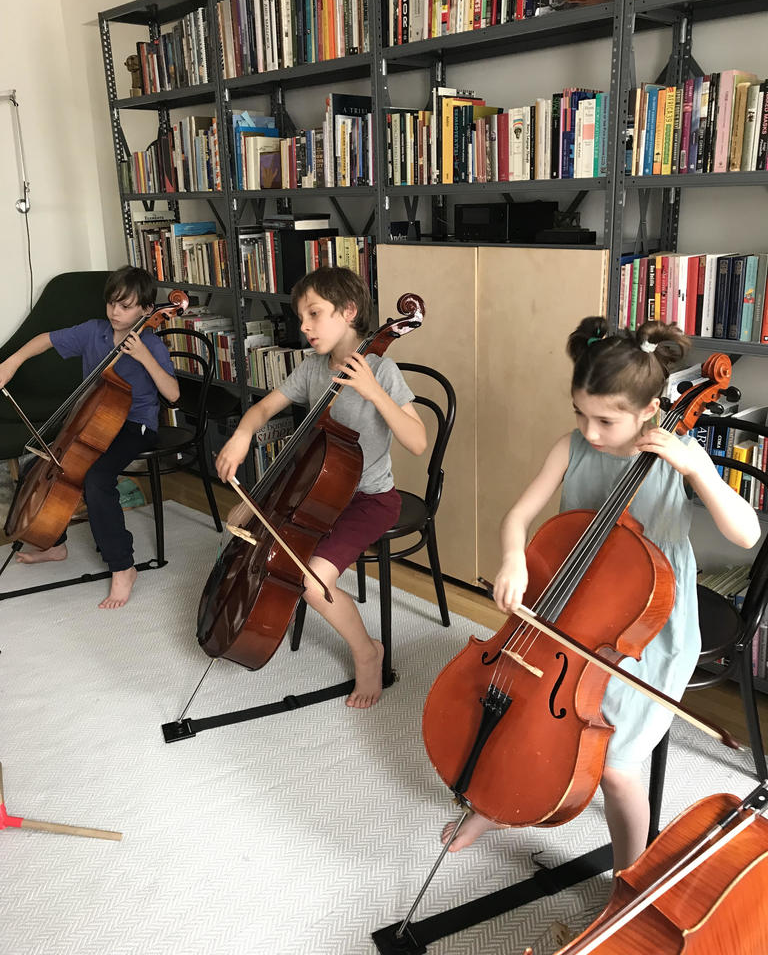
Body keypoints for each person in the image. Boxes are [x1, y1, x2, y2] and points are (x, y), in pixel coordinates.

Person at [442, 315, 760, 871]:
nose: (590, 432)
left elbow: (748, 534)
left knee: (614, 767)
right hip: (569, 609)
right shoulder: (572, 447)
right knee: (523, 708)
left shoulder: (676, 455)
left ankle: (628, 878)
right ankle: (497, 803)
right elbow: (517, 517)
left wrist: (699, 470)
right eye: (580, 414)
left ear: (650, 410)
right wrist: (514, 558)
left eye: (606, 421)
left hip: (649, 631)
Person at [215, 265, 427, 709]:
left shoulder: (382, 369)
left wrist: (373, 391)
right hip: (315, 495)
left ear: (348, 312)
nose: (305, 327)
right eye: (301, 318)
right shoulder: (312, 369)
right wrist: (242, 435)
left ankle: (367, 652)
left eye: (314, 314)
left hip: (370, 500)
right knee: (243, 525)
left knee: (312, 582)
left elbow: (417, 441)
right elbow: (263, 409)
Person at [0, 266, 179, 609]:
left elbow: (172, 394)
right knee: (41, 464)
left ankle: (123, 567)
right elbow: (45, 339)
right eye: (112, 303)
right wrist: (12, 362)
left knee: (97, 478)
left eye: (125, 306)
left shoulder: (151, 344)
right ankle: (54, 544)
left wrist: (144, 357)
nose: (115, 312)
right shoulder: (94, 331)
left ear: (146, 310)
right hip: (91, 421)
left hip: (135, 425)